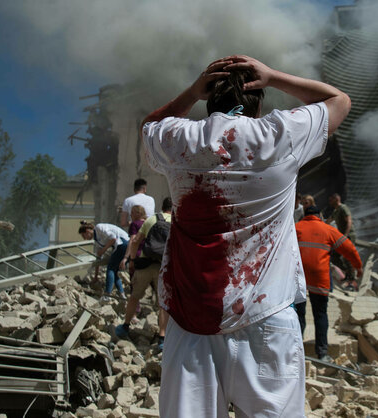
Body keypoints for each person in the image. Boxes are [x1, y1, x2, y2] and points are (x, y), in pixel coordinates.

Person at [140, 55, 351, 417]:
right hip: (267, 320)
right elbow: (339, 101)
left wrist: (191, 91)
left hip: (191, 323)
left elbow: (150, 124)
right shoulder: (279, 134)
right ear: (258, 100)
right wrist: (272, 76)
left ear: (209, 98)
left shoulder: (180, 139)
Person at [294, 205, 362, 361]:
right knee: (320, 314)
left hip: (298, 278)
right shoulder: (327, 230)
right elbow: (349, 249)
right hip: (319, 278)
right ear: (320, 216)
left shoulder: (296, 227)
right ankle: (322, 353)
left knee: (299, 313)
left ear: (305, 215)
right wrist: (358, 267)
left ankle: (295, 350)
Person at [116, 197, 173, 349]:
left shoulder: (152, 219)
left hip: (145, 264)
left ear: (162, 206)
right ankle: (162, 337)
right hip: (164, 268)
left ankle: (125, 326)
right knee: (162, 304)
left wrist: (133, 261)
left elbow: (135, 241)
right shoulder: (177, 222)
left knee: (134, 297)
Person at [78, 221, 129, 301]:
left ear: (87, 231)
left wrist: (103, 250)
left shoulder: (99, 228)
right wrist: (95, 276)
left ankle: (107, 295)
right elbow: (98, 259)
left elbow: (113, 238)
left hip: (123, 243)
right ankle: (122, 295)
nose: (85, 239)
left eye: (84, 236)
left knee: (110, 269)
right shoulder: (97, 241)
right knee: (114, 271)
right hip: (120, 246)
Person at [327, 193, 357, 287]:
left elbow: (349, 220)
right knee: (334, 256)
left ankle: (352, 280)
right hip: (341, 237)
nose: (330, 202)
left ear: (336, 199)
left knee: (347, 257)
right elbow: (328, 221)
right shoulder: (336, 211)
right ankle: (348, 273)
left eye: (331, 200)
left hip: (348, 236)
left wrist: (346, 235)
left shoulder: (343, 208)